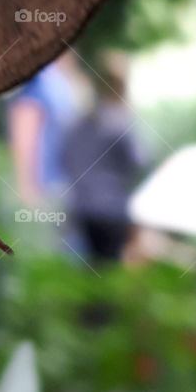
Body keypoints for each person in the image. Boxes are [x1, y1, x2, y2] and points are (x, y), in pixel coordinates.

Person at [60, 51, 143, 261]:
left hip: (81, 207)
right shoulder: (120, 122)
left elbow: (65, 158)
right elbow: (137, 162)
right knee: (108, 271)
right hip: (112, 210)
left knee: (82, 271)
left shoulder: (79, 122)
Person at [8, 50, 84, 206]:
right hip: (43, 188)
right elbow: (24, 134)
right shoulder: (39, 84)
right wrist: (26, 188)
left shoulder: (63, 85)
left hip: (61, 187)